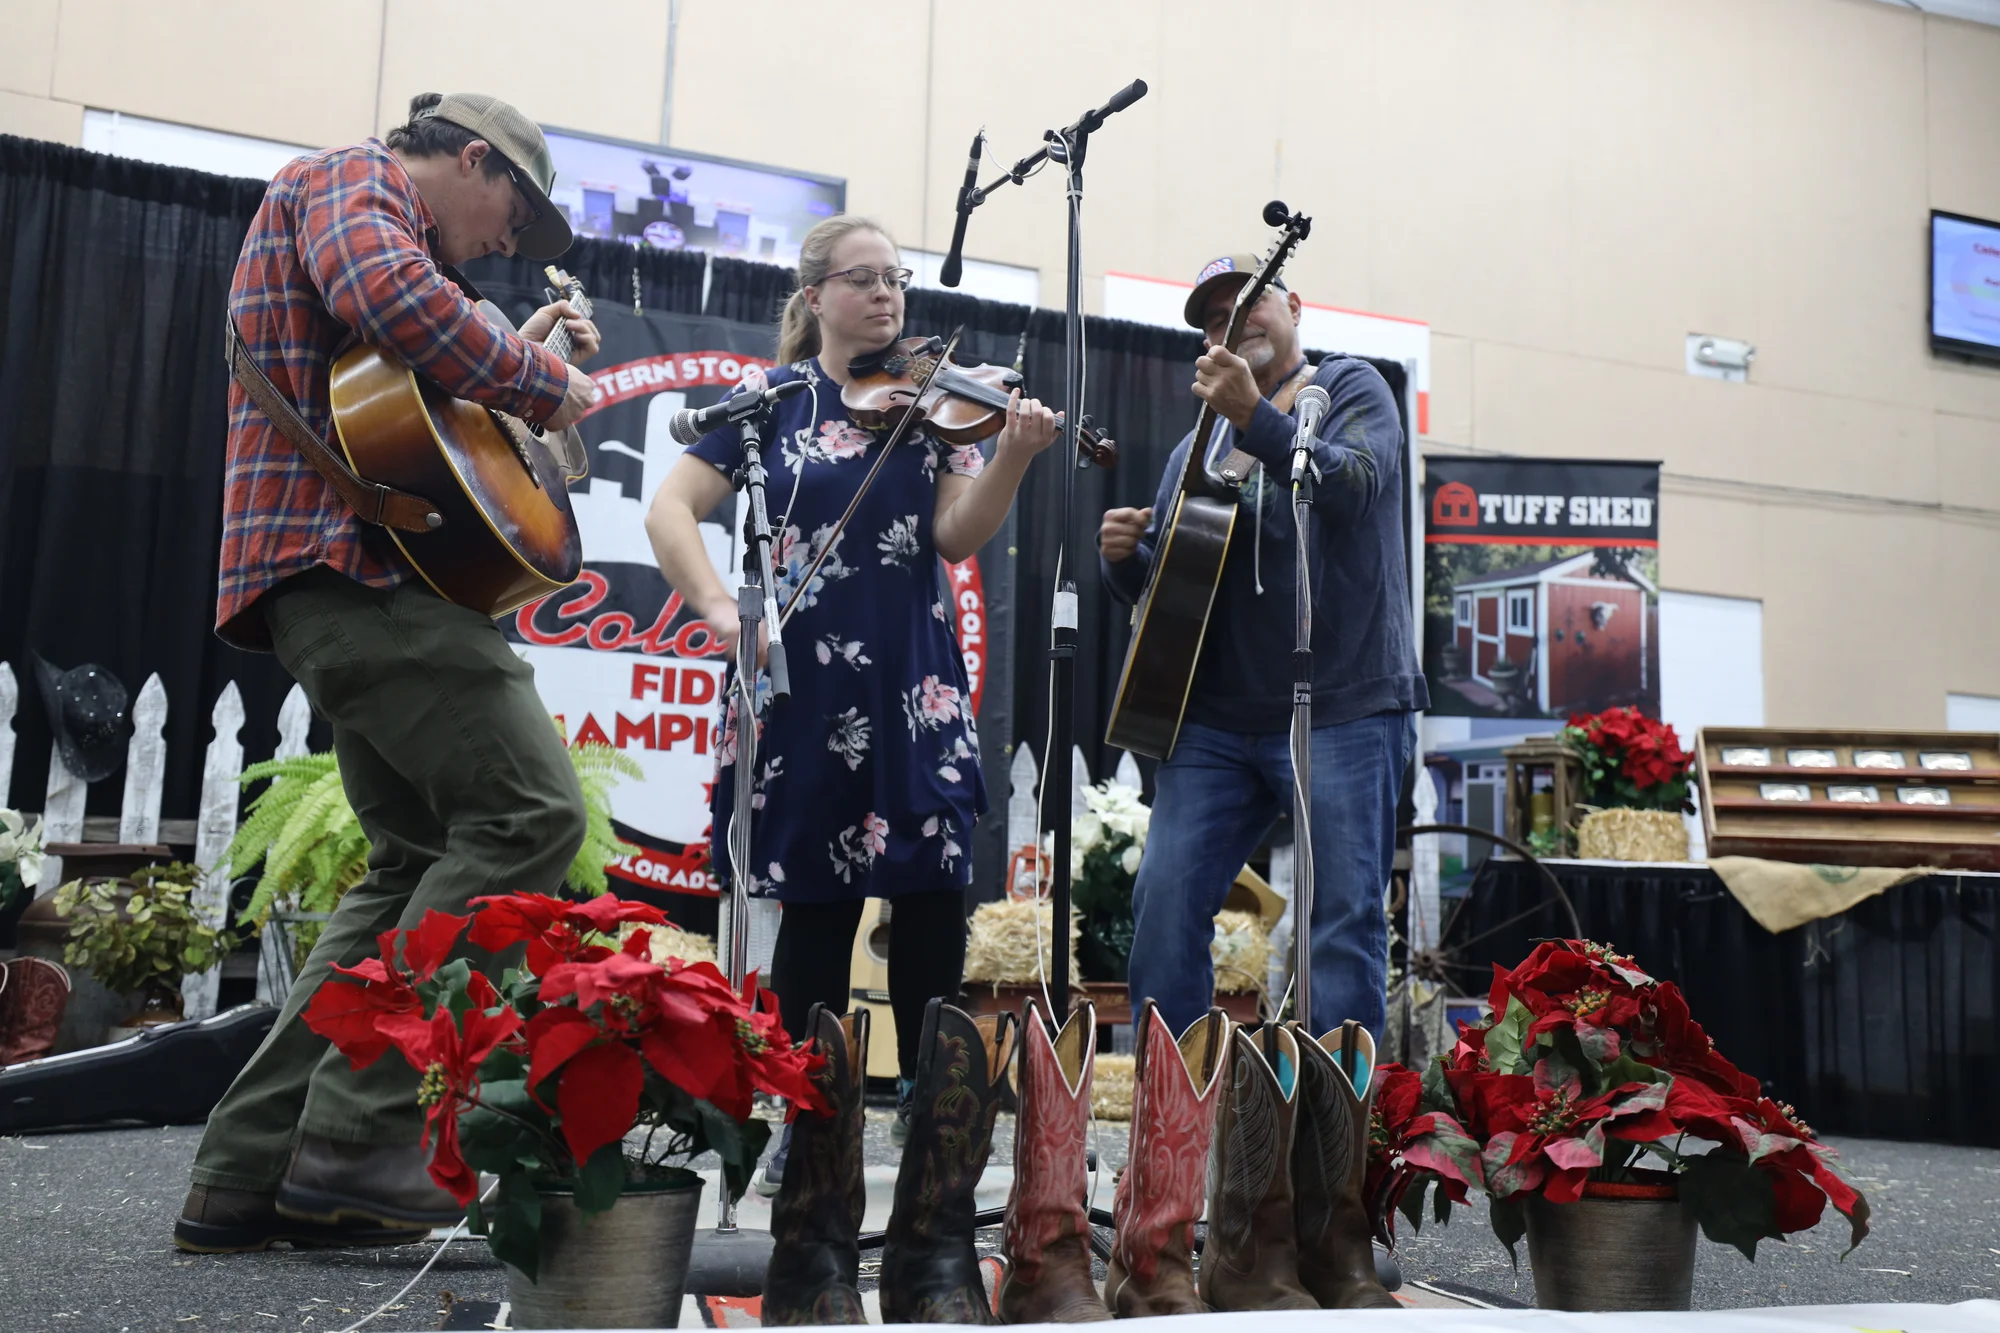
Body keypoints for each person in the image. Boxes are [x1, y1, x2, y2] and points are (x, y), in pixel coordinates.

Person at [175, 93, 603, 1254]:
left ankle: (248, 1169)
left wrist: (517, 363)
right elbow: (390, 297)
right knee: (527, 817)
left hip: (340, 584)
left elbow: (405, 364)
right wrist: (536, 379)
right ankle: (360, 1142)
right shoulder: (353, 182)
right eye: (512, 215)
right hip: (364, 582)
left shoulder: (359, 217)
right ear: (470, 159)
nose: (506, 245)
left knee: (409, 859)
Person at [645, 215, 1056, 1184]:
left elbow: (955, 536)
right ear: (813, 295)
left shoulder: (933, 406)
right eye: (862, 279)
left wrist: (1014, 456)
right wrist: (717, 610)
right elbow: (670, 508)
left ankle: (932, 1121)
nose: (885, 296)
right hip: (800, 682)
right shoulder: (769, 401)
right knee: (816, 907)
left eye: (895, 280)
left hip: (909, 677)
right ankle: (810, 1123)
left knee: (928, 899)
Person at [1100, 252, 1427, 1041]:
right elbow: (1177, 591)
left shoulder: (1348, 389)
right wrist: (1126, 565)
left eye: (1250, 302)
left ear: (1293, 306)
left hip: (1343, 705)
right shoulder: (1194, 450)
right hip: (1215, 721)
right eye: (1214, 318)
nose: (1233, 323)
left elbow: (1350, 489)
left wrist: (1259, 418)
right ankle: (1178, 1123)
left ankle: (1334, 1133)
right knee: (1166, 902)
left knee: (1340, 920)